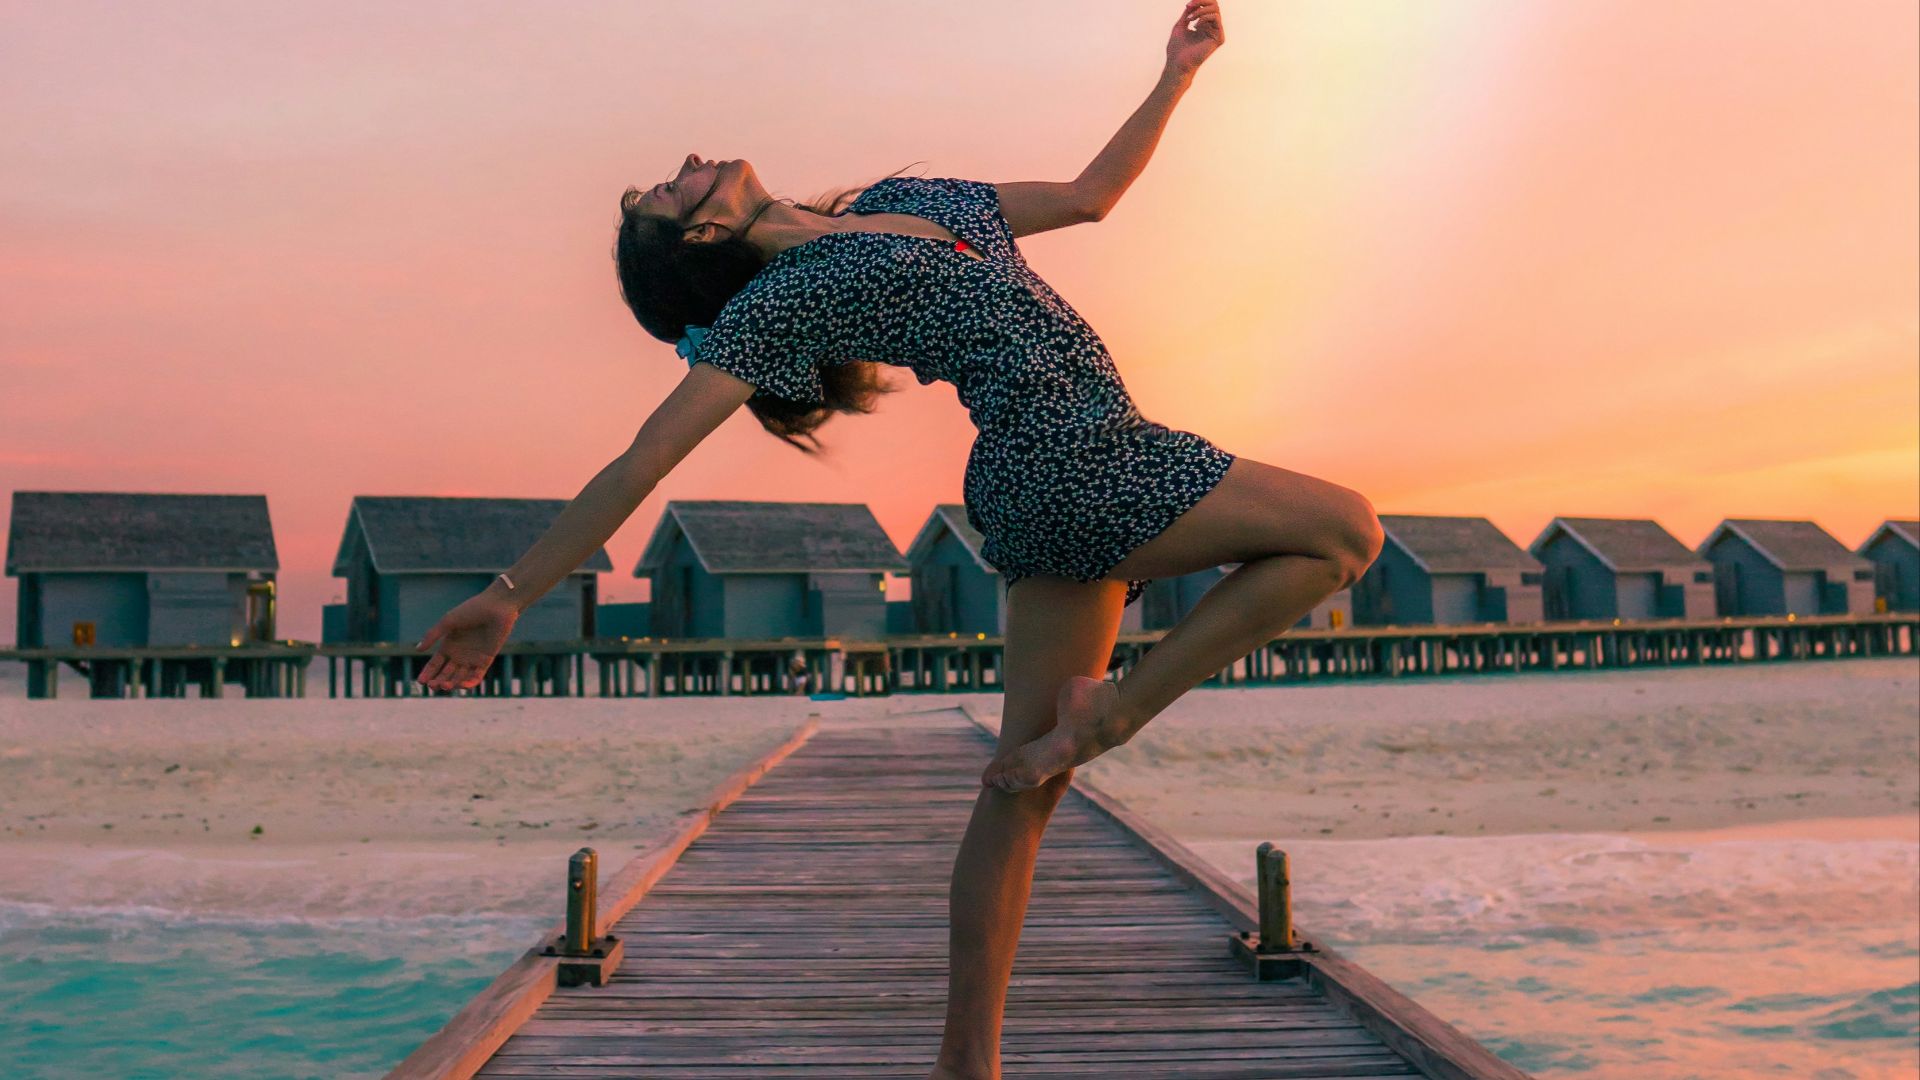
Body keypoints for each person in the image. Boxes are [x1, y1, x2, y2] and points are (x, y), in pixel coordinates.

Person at [415, 4, 1382, 1077]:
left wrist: (1177, 74)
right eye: (671, 190)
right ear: (701, 238)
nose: (688, 162)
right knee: (1344, 530)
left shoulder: (909, 199)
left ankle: (966, 1064)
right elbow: (644, 460)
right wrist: (512, 591)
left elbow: (1091, 196)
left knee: (1021, 789)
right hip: (1077, 459)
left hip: (1041, 484)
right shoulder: (776, 308)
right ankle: (1109, 712)